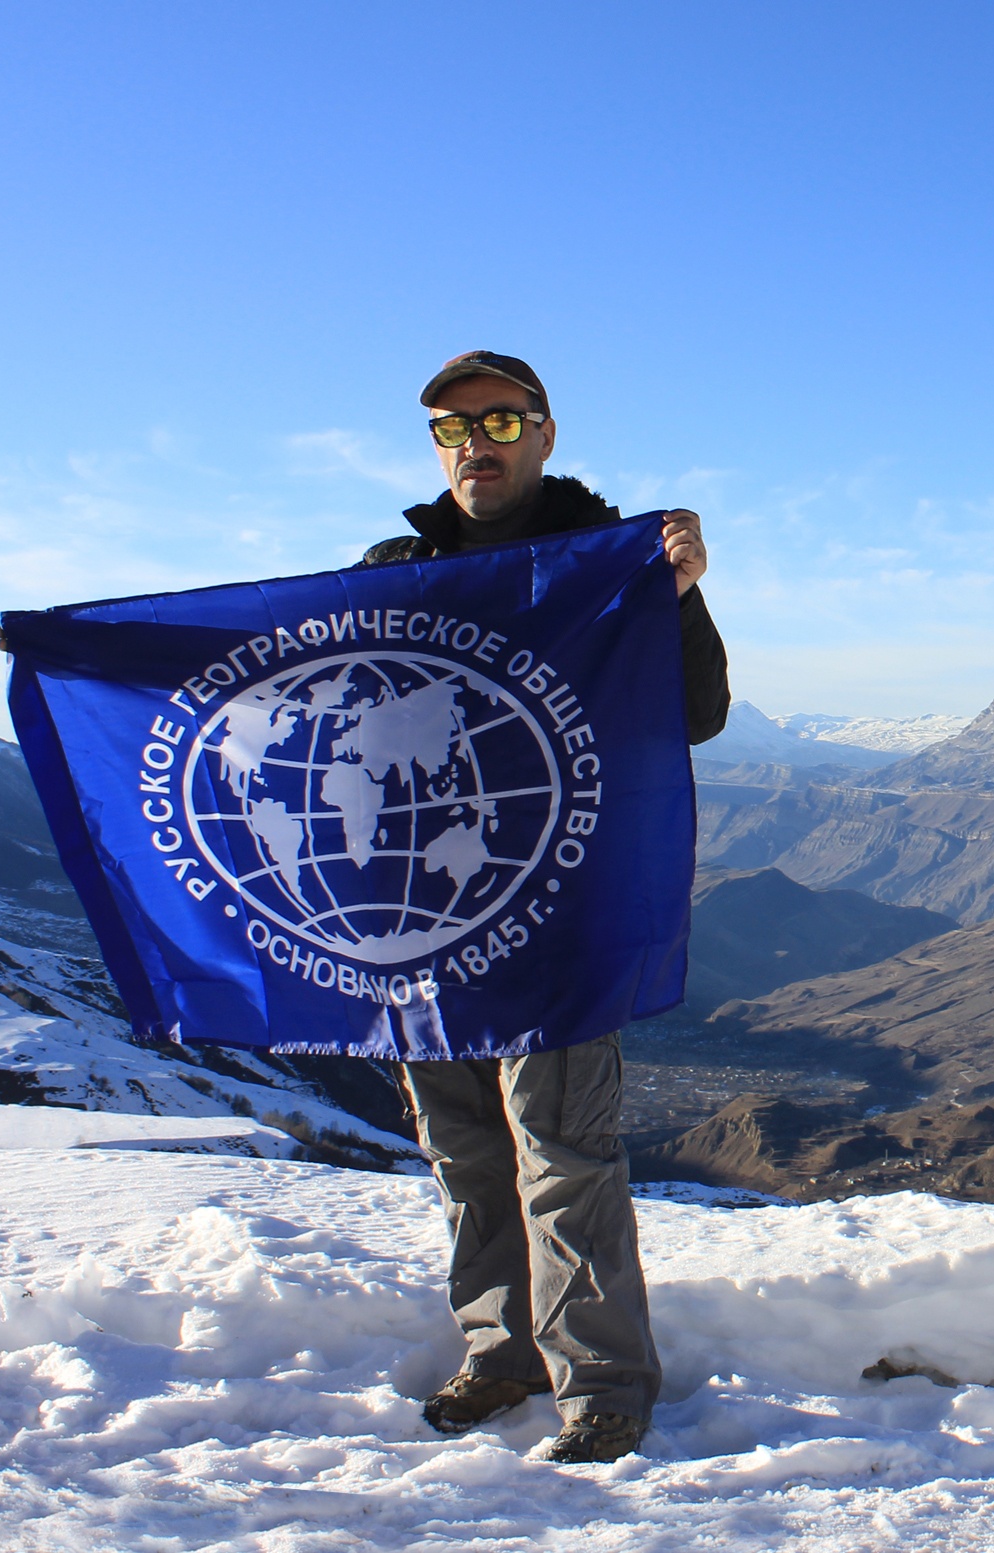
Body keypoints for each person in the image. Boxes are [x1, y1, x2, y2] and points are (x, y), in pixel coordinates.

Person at [364, 350, 730, 1462]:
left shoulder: (609, 564)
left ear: (546, 432)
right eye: (451, 426)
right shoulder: (392, 566)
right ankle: (499, 1352)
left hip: (555, 911)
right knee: (465, 1151)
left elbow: (699, 711)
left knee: (562, 1149)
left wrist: (675, 594)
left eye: (500, 418)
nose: (476, 441)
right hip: (425, 916)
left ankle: (604, 1382)